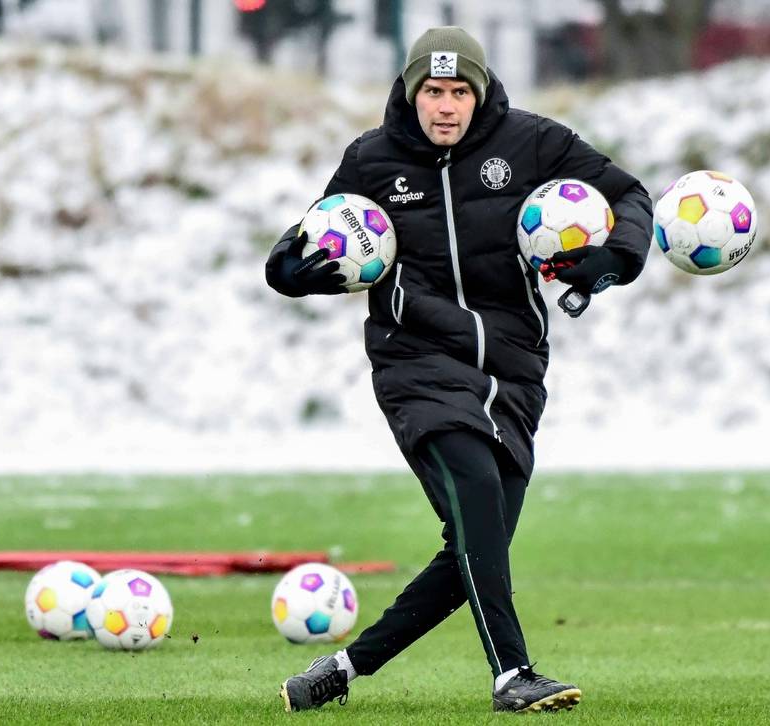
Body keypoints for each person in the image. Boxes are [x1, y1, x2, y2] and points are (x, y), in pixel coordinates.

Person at [265, 26, 652, 714]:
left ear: (481, 93)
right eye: (433, 92)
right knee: (474, 495)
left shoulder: (533, 143)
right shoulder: (372, 161)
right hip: (416, 362)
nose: (445, 106)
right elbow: (309, 241)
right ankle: (512, 674)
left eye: (459, 92)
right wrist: (290, 271)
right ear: (412, 93)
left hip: (514, 369)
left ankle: (345, 670)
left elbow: (629, 197)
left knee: (475, 549)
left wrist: (613, 258)